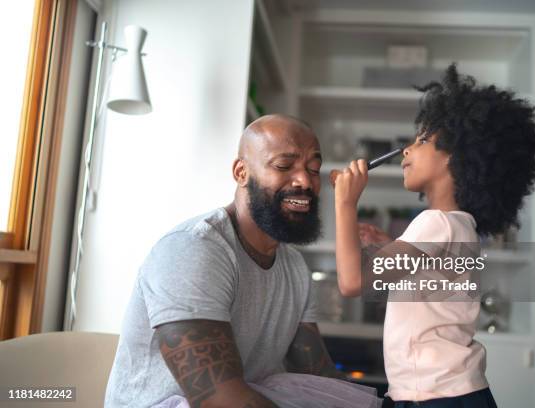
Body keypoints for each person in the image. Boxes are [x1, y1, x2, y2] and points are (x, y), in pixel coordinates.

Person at [105, 114, 380, 408]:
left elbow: (318, 376)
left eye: (313, 168)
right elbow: (218, 399)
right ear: (241, 172)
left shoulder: (295, 268)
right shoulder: (193, 250)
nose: (305, 181)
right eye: (284, 166)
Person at [331, 64, 535, 407]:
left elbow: (353, 281)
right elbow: (435, 276)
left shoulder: (435, 223)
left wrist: (344, 203)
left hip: (434, 396)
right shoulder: (459, 226)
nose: (406, 150)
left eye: (423, 140)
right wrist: (389, 244)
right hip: (455, 392)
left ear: (455, 158)